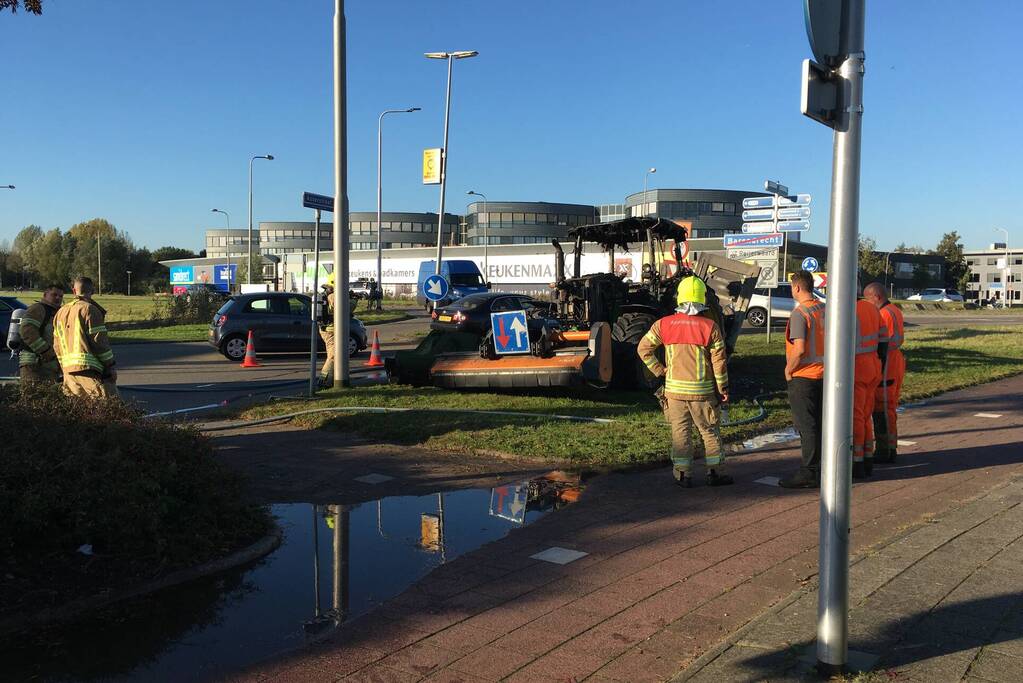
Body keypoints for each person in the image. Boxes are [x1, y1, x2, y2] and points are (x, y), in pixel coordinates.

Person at [638, 275, 732, 488]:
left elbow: (643, 349)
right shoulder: (710, 327)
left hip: (674, 393)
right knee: (709, 433)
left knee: (680, 434)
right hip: (703, 393)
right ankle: (715, 473)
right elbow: (719, 363)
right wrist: (723, 388)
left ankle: (682, 475)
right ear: (702, 299)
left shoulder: (663, 325)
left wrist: (660, 370)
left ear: (679, 298)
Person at [779, 270, 826, 489]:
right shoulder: (823, 308)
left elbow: (799, 350)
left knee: (806, 426)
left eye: (791, 287)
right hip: (824, 373)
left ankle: (809, 472)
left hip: (804, 375)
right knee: (820, 423)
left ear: (797, 287)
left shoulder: (800, 313)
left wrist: (789, 370)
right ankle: (823, 468)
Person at [52, 276, 118, 399]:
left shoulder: (60, 312)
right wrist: (110, 366)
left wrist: (63, 366)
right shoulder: (89, 309)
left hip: (68, 371)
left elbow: (57, 345)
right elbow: (99, 341)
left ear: (73, 291)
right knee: (108, 407)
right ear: (92, 291)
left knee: (79, 412)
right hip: (89, 371)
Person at [864, 282, 905, 462]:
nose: (867, 303)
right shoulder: (893, 310)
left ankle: (885, 451)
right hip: (892, 366)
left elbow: (885, 343)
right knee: (887, 411)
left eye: (868, 299)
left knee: (883, 411)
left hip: (886, 369)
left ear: (877, 297)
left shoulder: (884, 314)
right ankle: (889, 448)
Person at [853, 295, 885, 478]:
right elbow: (883, 340)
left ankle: (857, 462)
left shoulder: (847, 309)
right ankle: (867, 458)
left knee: (856, 417)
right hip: (873, 366)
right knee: (866, 416)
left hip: (857, 368)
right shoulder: (872, 308)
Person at [18, 284, 64, 384]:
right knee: (33, 396)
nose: (58, 298)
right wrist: (46, 351)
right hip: (33, 365)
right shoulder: (38, 308)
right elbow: (26, 331)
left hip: (48, 365)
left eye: (61, 296)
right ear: (45, 294)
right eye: (54, 294)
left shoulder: (55, 312)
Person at [318, 272, 336, 387]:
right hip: (331, 330)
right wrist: (353, 301)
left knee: (334, 356)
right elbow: (345, 308)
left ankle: (330, 380)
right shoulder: (334, 296)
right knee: (333, 356)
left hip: (327, 329)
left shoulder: (327, 294)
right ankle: (324, 381)